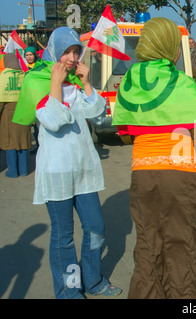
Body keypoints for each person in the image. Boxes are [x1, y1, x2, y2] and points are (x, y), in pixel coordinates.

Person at [112, 17, 196, 299]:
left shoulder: (129, 83)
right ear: (171, 48)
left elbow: (124, 133)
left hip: (143, 174)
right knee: (185, 243)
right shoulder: (182, 83)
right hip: (182, 173)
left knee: (149, 243)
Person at [15, 27, 122, 299]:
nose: (73, 58)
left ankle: (93, 280)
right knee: (63, 238)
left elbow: (99, 116)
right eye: (67, 52)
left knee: (96, 229)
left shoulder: (77, 84)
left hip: (84, 170)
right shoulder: (39, 81)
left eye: (76, 52)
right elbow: (53, 120)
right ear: (53, 53)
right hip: (57, 174)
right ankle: (68, 290)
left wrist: (87, 84)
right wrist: (54, 84)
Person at [0, 54, 31, 178]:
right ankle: (24, 170)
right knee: (23, 141)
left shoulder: (3, 77)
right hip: (23, 112)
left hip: (8, 115)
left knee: (10, 142)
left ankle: (12, 171)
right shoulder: (24, 75)